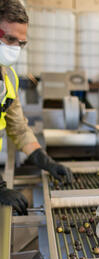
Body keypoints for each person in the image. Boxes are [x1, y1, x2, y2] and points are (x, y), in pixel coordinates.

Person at [0, 0, 73, 215]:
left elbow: (18, 128)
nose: (14, 48)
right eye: (9, 38)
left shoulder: (9, 78)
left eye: (20, 43)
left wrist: (47, 162)